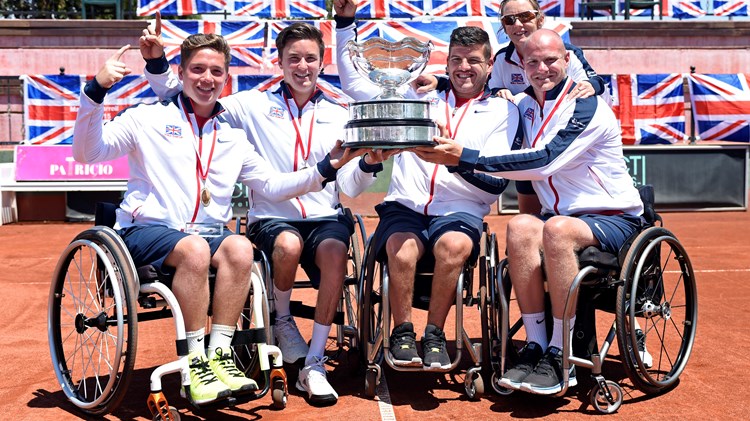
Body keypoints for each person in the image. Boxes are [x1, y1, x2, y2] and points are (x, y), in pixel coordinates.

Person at [74, 34, 360, 406]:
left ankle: (220, 355)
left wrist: (325, 168)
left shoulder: (233, 138)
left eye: (216, 71)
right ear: (180, 73)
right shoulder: (145, 118)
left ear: (226, 80)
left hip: (205, 235)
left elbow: (273, 186)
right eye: (197, 69)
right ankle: (196, 362)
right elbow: (87, 152)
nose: (206, 78)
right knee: (193, 248)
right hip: (145, 230)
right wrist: (96, 91)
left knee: (241, 247)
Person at [140, 15, 383, 406]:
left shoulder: (342, 111)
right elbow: (187, 93)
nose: (302, 67)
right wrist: (156, 63)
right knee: (286, 244)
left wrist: (369, 165)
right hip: (272, 217)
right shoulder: (249, 106)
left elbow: (350, 184)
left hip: (325, 218)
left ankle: (315, 362)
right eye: (293, 59)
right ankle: (284, 323)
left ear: (322, 63)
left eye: (310, 59)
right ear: (280, 62)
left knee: (338, 252)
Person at [413, 29, 644, 395]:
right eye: (532, 62)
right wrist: (440, 79)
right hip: (560, 217)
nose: (542, 68)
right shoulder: (524, 104)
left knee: (556, 230)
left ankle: (561, 354)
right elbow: (475, 83)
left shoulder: (588, 106)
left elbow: (544, 161)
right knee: (520, 226)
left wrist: (464, 157)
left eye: (551, 59)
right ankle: (536, 344)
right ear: (522, 66)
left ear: (567, 61)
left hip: (613, 218)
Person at [334, 0, 523, 370]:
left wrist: (455, 161)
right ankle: (403, 332)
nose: (464, 68)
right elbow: (354, 82)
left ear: (489, 65)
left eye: (473, 61)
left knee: (454, 246)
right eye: (456, 60)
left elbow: (496, 184)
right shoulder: (417, 96)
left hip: (460, 210)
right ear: (446, 62)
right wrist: (344, 22)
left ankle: (435, 334)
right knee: (400, 249)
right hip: (406, 205)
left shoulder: (505, 110)